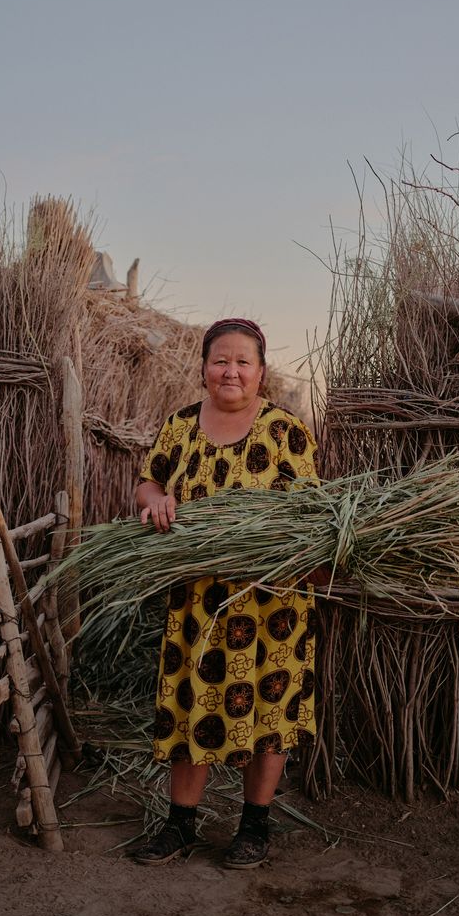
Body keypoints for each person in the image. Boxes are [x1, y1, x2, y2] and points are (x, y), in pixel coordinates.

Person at [133, 317, 319, 869]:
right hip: (197, 605)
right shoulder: (179, 428)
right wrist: (154, 501)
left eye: (243, 361)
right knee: (191, 705)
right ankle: (181, 826)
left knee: (267, 707)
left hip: (270, 608)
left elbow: (310, 519)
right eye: (220, 360)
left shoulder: (287, 432)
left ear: (261, 372)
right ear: (204, 368)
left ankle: (254, 827)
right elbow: (149, 480)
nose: (230, 370)